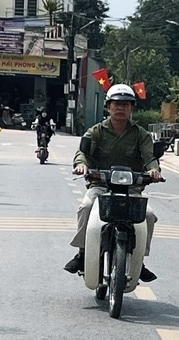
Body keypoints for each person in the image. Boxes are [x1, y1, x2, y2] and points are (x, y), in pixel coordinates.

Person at [65, 83, 162, 282]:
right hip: (101, 186)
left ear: (131, 108)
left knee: (149, 216)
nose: (120, 108)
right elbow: (83, 152)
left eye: (125, 104)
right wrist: (81, 165)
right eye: (116, 104)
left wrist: (154, 170)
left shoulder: (140, 134)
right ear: (108, 107)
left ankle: (139, 261)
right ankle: (82, 253)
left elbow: (149, 157)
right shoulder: (96, 131)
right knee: (86, 207)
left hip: (131, 189)